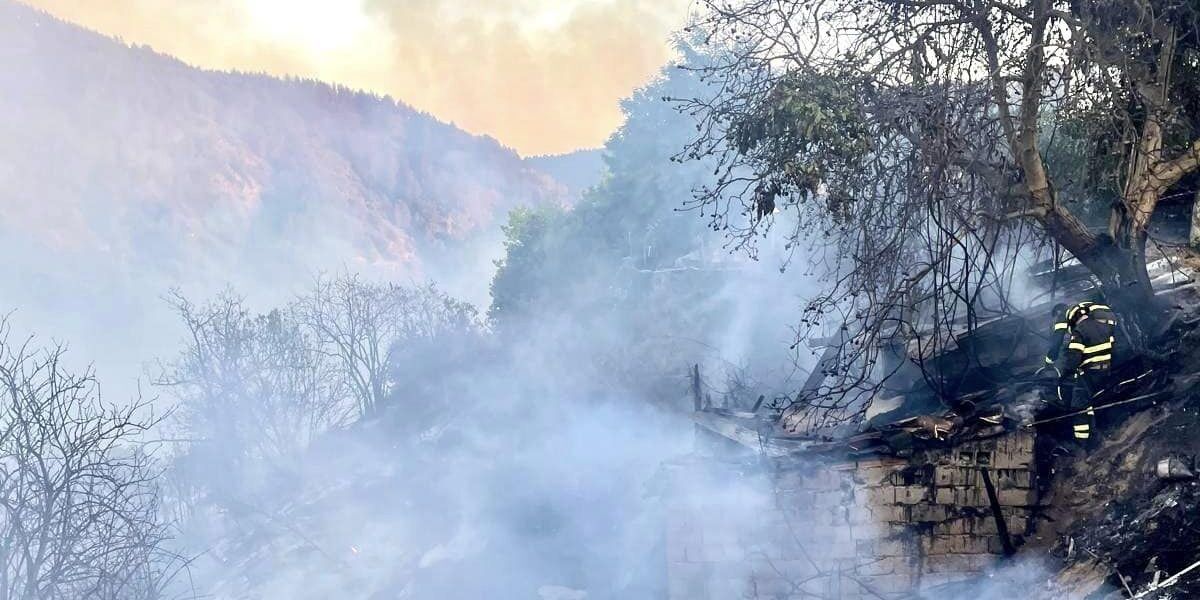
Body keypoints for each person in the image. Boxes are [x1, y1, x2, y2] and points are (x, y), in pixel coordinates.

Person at [1043, 299, 1117, 444]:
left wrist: (1050, 362)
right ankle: (1094, 433)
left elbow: (1059, 341)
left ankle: (1083, 443)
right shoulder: (1091, 320)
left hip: (1090, 371)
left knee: (1079, 406)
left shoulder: (1069, 321)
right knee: (1087, 401)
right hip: (1110, 324)